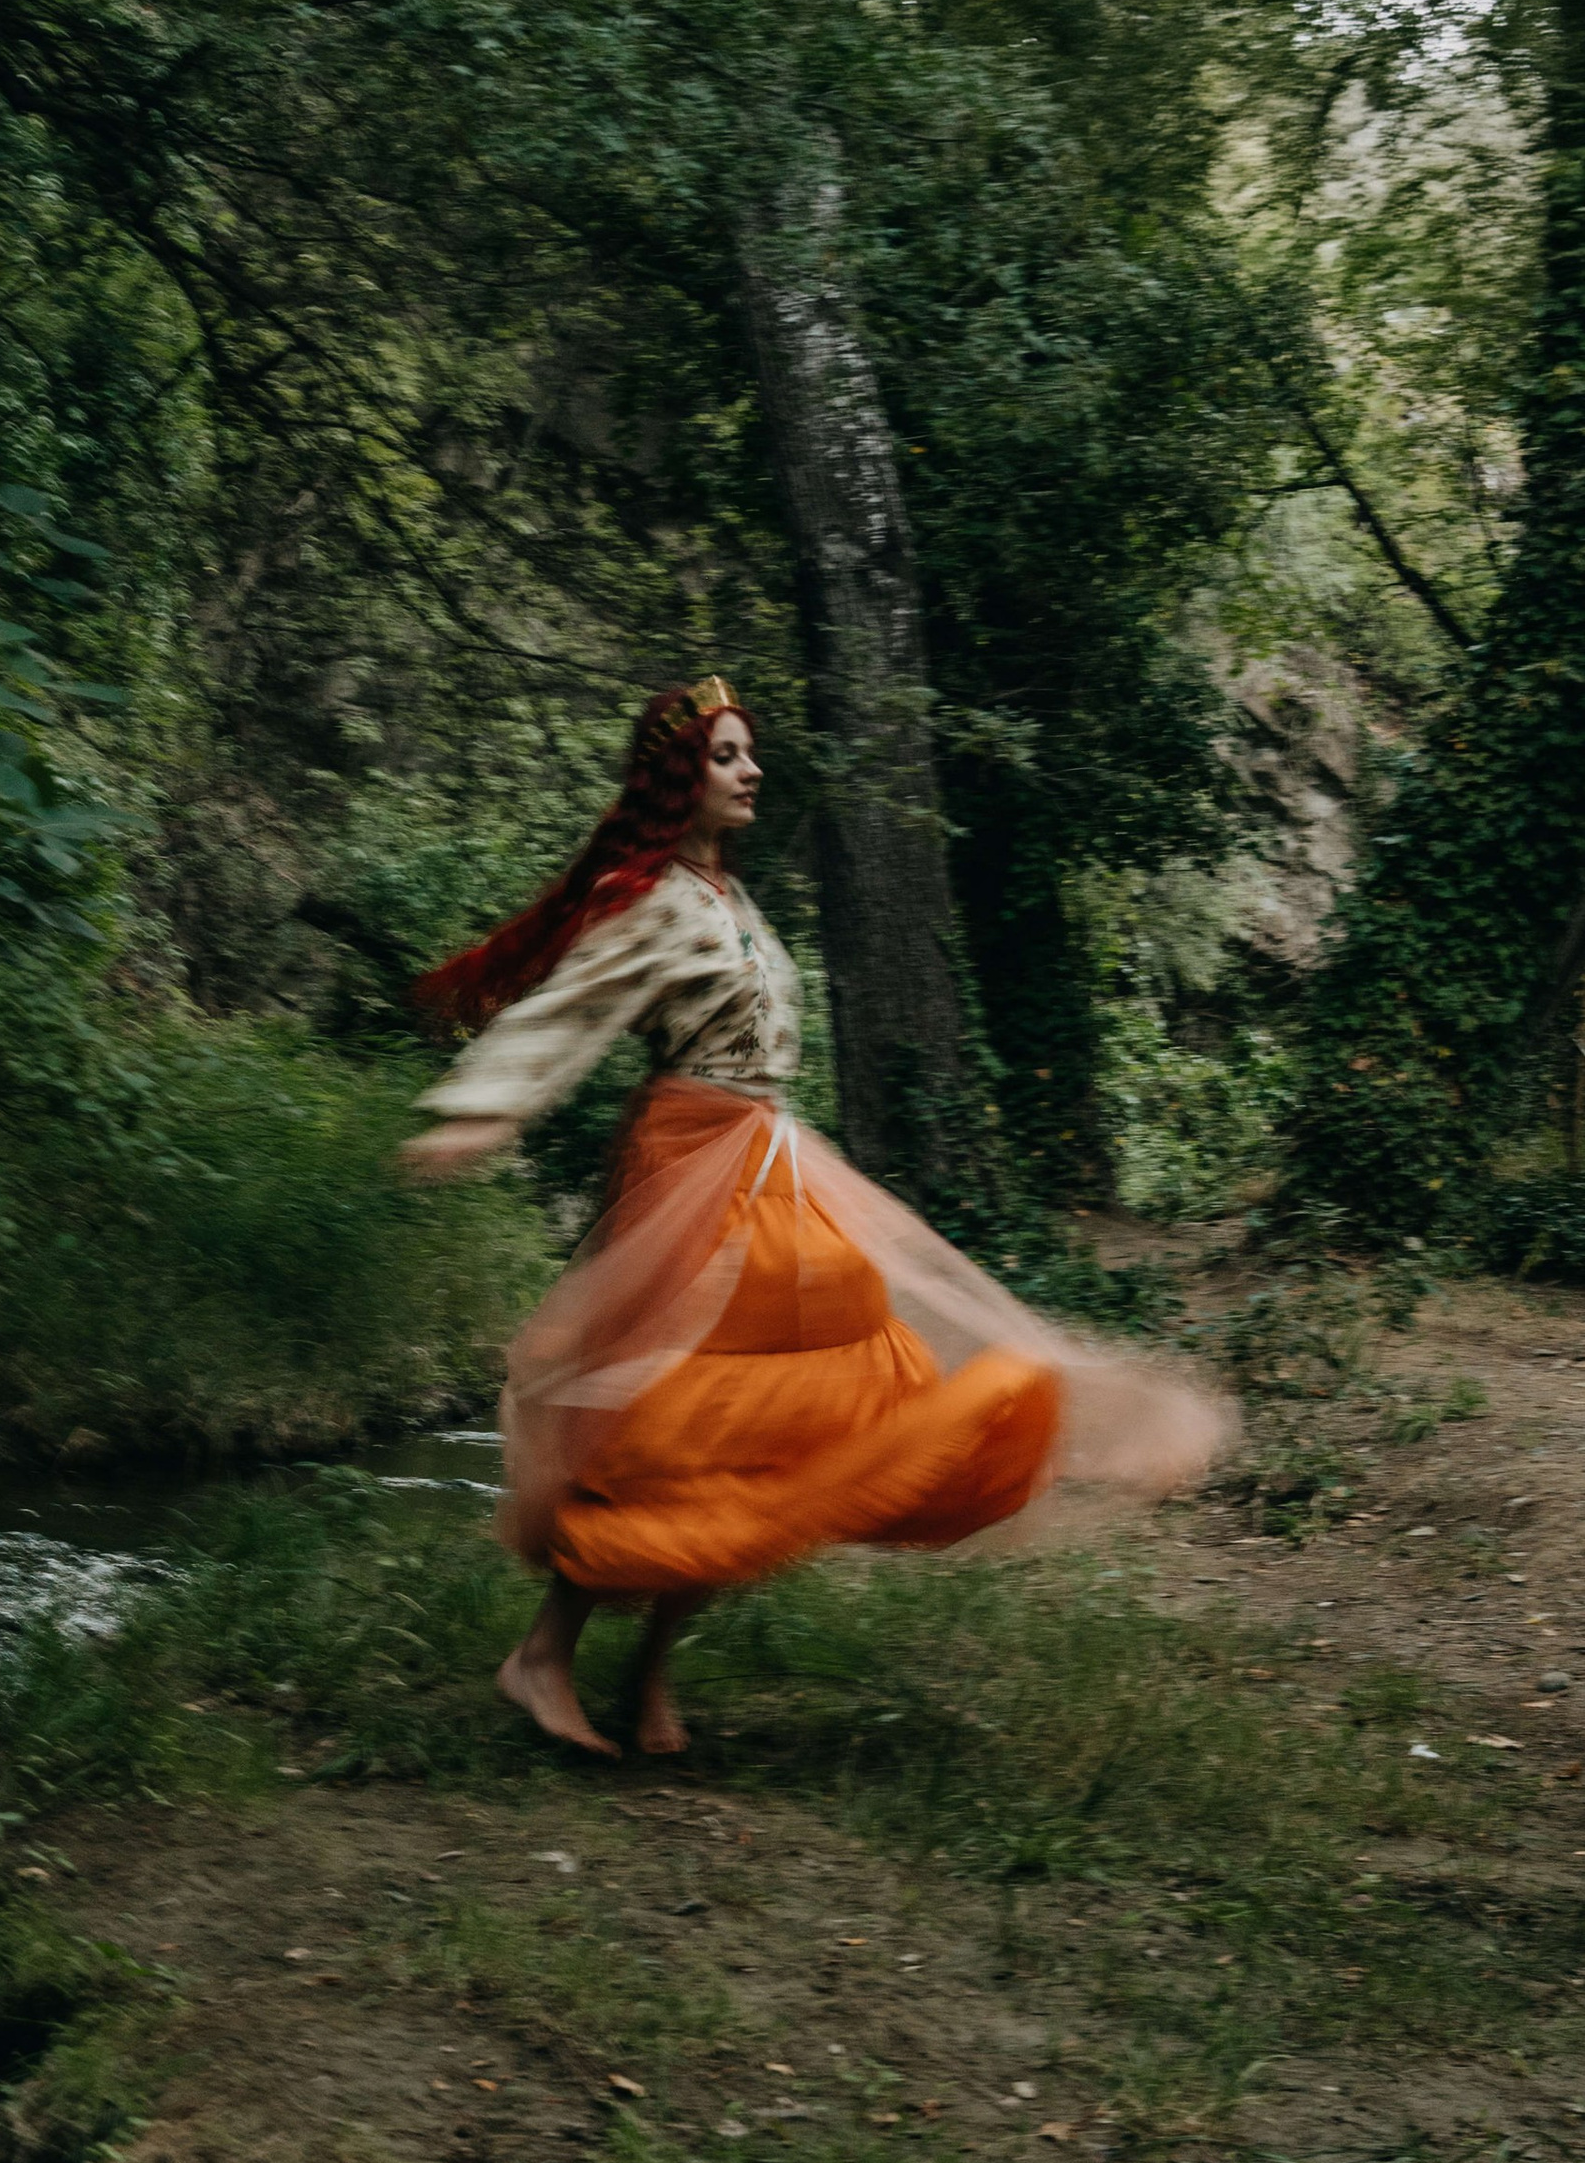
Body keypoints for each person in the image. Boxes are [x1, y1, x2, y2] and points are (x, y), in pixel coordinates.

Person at [400, 680, 1226, 1758]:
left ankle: (647, 1678)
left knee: (777, 1431)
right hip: (693, 1173)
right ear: (675, 778)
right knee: (677, 1425)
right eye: (727, 756)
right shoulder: (649, 899)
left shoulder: (728, 900)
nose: (751, 772)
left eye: (749, 754)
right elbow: (570, 1010)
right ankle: (544, 1657)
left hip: (772, 1166)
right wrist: (481, 1109)